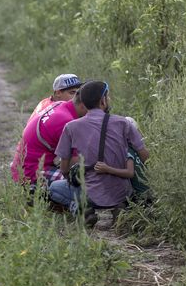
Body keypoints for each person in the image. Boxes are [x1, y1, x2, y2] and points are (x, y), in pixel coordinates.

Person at [49, 81, 150, 225]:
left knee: (54, 188)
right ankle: (120, 208)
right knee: (121, 190)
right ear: (102, 101)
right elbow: (144, 156)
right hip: (122, 192)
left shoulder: (71, 127)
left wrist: (73, 178)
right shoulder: (124, 123)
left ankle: (82, 208)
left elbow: (64, 168)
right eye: (108, 97)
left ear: (82, 102)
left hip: (90, 193)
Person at [10, 91, 87, 187]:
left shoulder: (60, 104)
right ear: (83, 105)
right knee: (82, 181)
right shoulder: (67, 122)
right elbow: (72, 166)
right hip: (30, 173)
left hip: (21, 167)